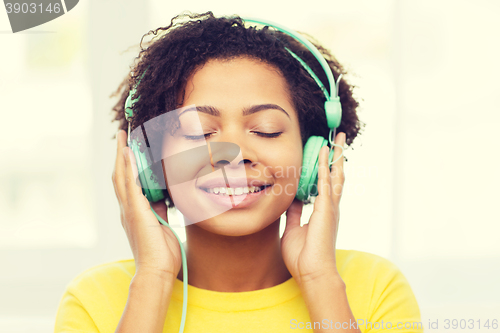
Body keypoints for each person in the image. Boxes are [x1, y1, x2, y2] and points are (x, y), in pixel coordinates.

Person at [54, 12, 423, 333]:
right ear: (149, 161)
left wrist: (320, 280)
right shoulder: (94, 299)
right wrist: (152, 279)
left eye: (265, 129)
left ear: (316, 156)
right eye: (199, 132)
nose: (233, 156)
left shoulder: (375, 288)